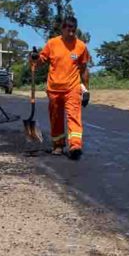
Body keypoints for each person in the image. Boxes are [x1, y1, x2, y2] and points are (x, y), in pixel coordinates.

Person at [31, 16, 90, 160]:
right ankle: (58, 145)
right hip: (54, 89)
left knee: (74, 117)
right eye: (68, 29)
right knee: (56, 118)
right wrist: (34, 58)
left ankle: (75, 146)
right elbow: (40, 62)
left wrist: (86, 90)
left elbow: (83, 69)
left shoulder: (81, 46)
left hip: (72, 88)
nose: (71, 33)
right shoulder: (52, 44)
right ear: (62, 29)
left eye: (73, 30)